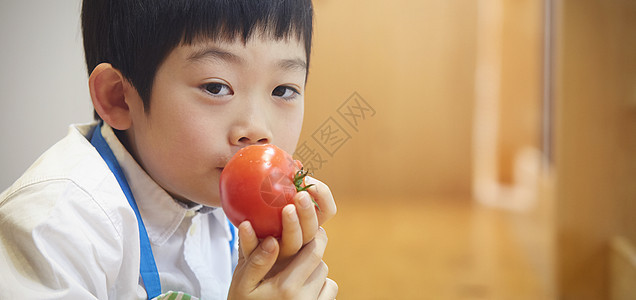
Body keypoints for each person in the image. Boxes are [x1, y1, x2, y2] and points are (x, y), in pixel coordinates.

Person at [0, 0, 338, 299]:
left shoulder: (222, 194)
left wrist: (279, 267)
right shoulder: (56, 227)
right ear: (118, 97)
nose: (258, 130)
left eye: (283, 90)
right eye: (216, 87)